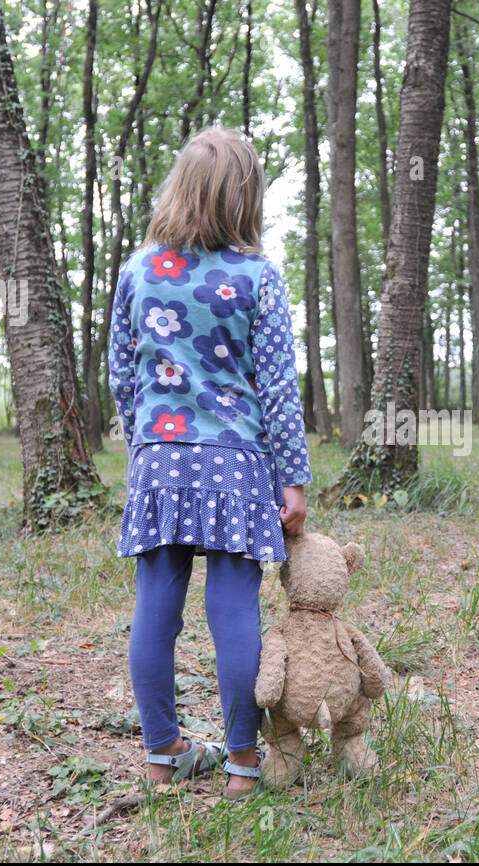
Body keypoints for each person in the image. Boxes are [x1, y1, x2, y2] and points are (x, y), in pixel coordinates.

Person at [108, 127, 311, 800]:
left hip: (160, 463)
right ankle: (244, 762)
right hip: (237, 463)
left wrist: (145, 441)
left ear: (179, 188)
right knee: (233, 607)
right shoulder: (257, 276)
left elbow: (121, 374)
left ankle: (161, 755)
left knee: (155, 607)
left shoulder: (137, 272)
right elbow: (279, 385)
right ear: (244, 198)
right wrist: (293, 477)